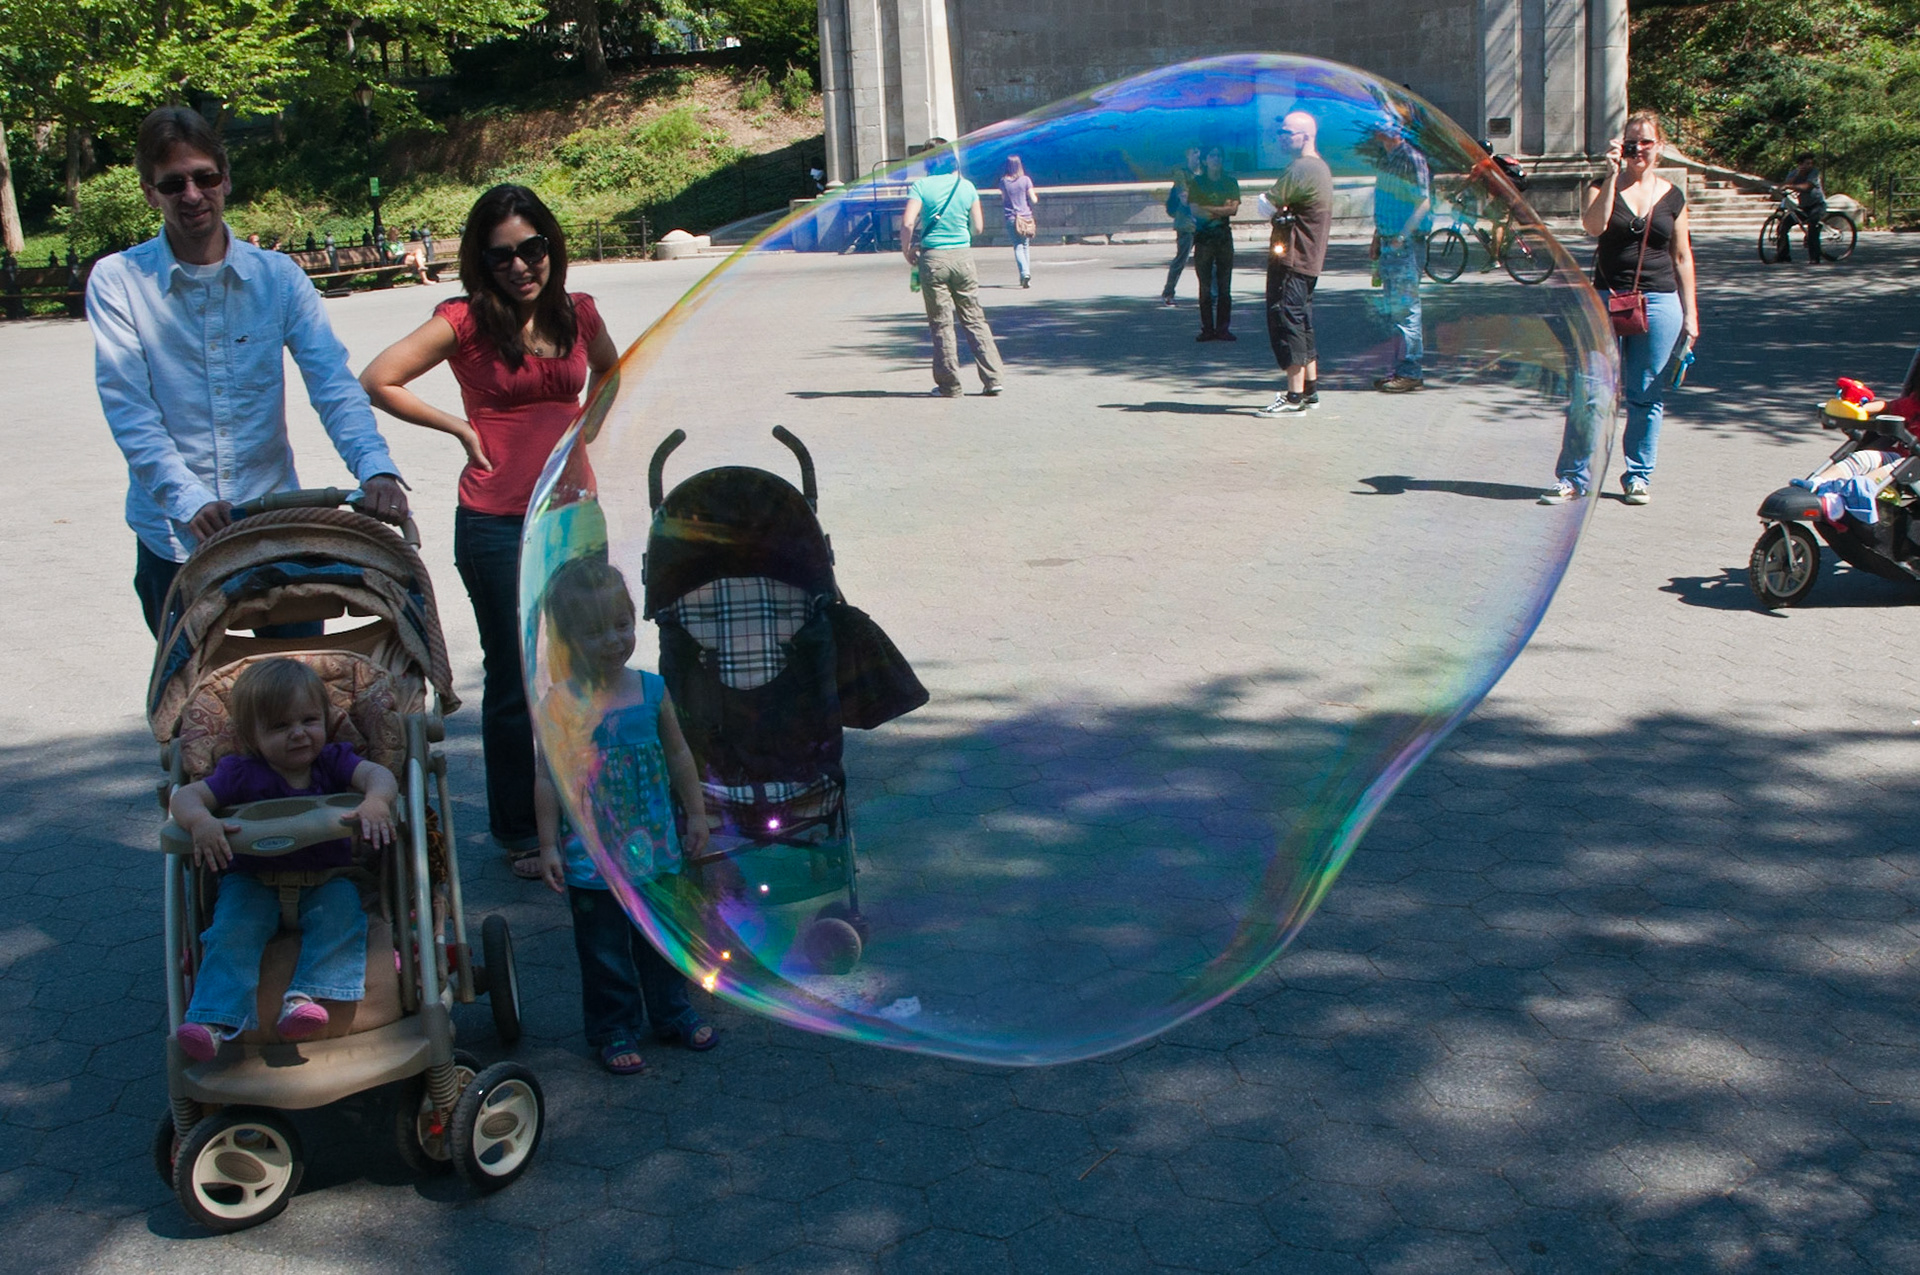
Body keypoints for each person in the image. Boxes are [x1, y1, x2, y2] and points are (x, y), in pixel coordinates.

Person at [360, 185, 620, 875]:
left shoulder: (577, 312)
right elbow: (379, 377)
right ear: (483, 260)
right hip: (497, 522)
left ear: (550, 246)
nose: (520, 265)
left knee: (581, 669)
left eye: (531, 248)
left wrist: (587, 424)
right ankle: (518, 833)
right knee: (514, 676)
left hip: (572, 516)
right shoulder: (465, 320)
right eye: (501, 254)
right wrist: (456, 426)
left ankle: (582, 815)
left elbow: (610, 369)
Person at [88, 107, 410, 638]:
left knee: (300, 694)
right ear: (151, 193)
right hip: (174, 536)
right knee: (197, 707)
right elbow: (130, 410)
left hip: (272, 523)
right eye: (173, 184)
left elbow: (332, 384)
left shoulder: (277, 278)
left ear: (226, 178)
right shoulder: (120, 282)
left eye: (205, 177)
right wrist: (188, 499)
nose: (192, 195)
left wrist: (375, 468)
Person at [533, 557, 716, 1073]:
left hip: (656, 848)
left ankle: (672, 1012)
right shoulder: (559, 706)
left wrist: (696, 815)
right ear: (568, 641)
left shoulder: (651, 689)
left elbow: (679, 755)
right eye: (595, 632)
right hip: (592, 859)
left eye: (621, 625)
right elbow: (546, 777)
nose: (614, 640)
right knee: (604, 949)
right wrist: (547, 845)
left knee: (662, 936)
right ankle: (614, 1027)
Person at [167, 658, 398, 1061]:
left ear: (326, 719)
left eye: (309, 720)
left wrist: (377, 800)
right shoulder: (239, 773)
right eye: (279, 727)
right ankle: (212, 1020)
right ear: (252, 736)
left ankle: (304, 999)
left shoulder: (333, 761)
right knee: (231, 933)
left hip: (326, 876)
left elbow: (379, 774)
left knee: (343, 917)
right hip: (253, 880)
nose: (298, 734)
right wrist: (202, 821)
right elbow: (185, 798)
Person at [1540, 109, 1698, 506]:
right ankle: (1573, 477)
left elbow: (1682, 256)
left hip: (1660, 301)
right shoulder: (1600, 185)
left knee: (1645, 393)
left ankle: (1639, 476)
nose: (1638, 149)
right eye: (1632, 141)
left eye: (1646, 141)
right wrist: (1612, 175)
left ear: (1659, 146)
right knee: (1591, 391)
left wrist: (1691, 316)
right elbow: (1592, 226)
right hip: (1606, 299)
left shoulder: (1673, 196)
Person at [903, 145, 1006, 397]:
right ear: (953, 162)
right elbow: (979, 227)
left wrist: (907, 250)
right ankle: (993, 378)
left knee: (941, 324)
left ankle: (950, 385)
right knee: (974, 317)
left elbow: (907, 222)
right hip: (963, 257)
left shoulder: (921, 187)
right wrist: (960, 237)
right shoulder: (967, 187)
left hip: (933, 259)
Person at [1253, 111, 1334, 415]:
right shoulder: (1321, 167)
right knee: (1303, 321)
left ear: (1305, 136)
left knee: (1287, 321)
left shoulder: (1301, 168)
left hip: (1292, 257)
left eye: (1287, 132)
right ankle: (1310, 390)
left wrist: (1273, 204)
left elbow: (1265, 205)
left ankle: (1292, 396)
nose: (1281, 137)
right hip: (1309, 258)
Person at [1369, 112, 1430, 393]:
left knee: (1406, 309)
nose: (1379, 129)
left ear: (1399, 129)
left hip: (1404, 244)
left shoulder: (1412, 158)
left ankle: (1410, 371)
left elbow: (1423, 202)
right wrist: (1377, 238)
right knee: (1394, 309)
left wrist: (1402, 236)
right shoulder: (1387, 159)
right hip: (1388, 241)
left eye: (1385, 124)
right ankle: (1399, 369)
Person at [1188, 146, 1242, 341]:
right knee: (1204, 286)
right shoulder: (1198, 183)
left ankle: (1223, 328)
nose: (1216, 159)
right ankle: (1207, 329)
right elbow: (1195, 210)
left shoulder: (1230, 182)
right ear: (1205, 160)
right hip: (1204, 238)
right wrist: (1220, 209)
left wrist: (1208, 209)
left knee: (1224, 286)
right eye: (1212, 155)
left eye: (1219, 155)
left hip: (1223, 237)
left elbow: (1233, 210)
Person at [1162, 147, 1205, 307]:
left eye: (1199, 152)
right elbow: (1184, 199)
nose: (1198, 156)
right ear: (1187, 155)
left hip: (1203, 224)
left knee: (1207, 261)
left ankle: (1210, 295)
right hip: (1186, 223)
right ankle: (1168, 292)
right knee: (1181, 260)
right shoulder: (1181, 174)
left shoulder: (1205, 173)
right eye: (1194, 152)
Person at [1778, 152, 1827, 263]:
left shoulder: (1814, 173)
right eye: (1806, 163)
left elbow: (1807, 187)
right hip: (1804, 207)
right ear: (1800, 164)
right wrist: (1796, 176)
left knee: (1812, 227)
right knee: (1784, 225)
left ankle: (1814, 257)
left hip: (1817, 205)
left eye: (1810, 163)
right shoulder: (1794, 173)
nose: (1809, 166)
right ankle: (1783, 255)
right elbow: (1785, 184)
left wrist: (1790, 186)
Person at [998, 155, 1038, 288]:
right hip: (1025, 217)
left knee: (1017, 246)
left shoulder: (1003, 182)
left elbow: (1003, 199)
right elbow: (1034, 199)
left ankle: (1024, 273)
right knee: (1025, 245)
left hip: (1011, 217)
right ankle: (1026, 274)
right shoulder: (1026, 180)